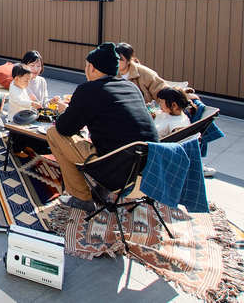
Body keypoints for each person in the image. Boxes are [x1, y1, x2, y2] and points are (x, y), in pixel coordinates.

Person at [46, 42, 159, 211]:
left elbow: (64, 128)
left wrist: (68, 110)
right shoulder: (130, 87)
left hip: (117, 172)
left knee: (53, 133)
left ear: (92, 68)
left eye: (86, 66)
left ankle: (81, 197)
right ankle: (101, 190)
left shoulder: (88, 90)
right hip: (151, 168)